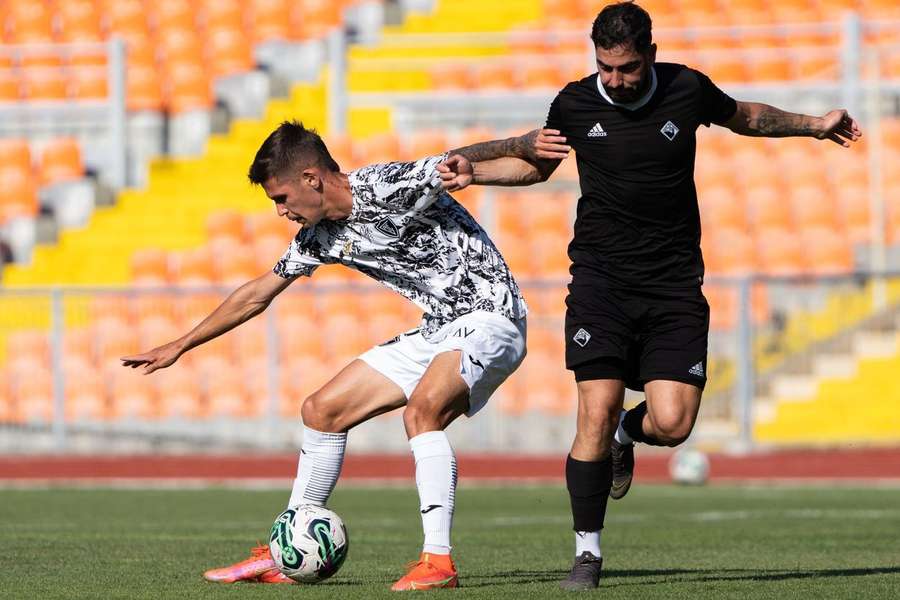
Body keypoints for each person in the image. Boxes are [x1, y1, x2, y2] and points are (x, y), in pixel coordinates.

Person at [436, 1, 862, 590]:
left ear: (651, 56)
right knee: (594, 407)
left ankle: (625, 436)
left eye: (627, 68)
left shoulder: (686, 89)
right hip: (601, 283)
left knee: (673, 422)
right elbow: (535, 164)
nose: (615, 79)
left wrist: (814, 125)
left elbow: (747, 116)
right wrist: (476, 171)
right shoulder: (575, 102)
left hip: (673, 286)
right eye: (606, 67)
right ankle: (587, 553)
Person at [121, 121, 529, 590]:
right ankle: (285, 551)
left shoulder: (386, 186)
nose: (280, 211)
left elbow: (465, 162)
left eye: (281, 198)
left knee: (423, 413)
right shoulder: (320, 236)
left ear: (311, 180)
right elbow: (258, 294)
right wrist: (180, 345)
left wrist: (520, 147)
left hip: (491, 315)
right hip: (438, 328)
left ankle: (438, 561)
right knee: (322, 410)